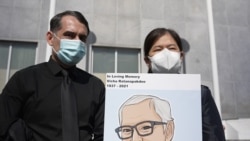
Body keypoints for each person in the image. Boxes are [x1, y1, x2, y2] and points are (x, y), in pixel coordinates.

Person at [0, 10, 105, 141]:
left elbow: (103, 134)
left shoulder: (95, 86)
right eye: (70, 35)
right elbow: (5, 126)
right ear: (50, 38)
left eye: (82, 38)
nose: (77, 42)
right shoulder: (24, 79)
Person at [143, 27, 225, 141]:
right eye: (158, 49)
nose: (166, 53)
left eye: (171, 48)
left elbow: (213, 137)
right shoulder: (128, 93)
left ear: (181, 56)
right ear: (147, 60)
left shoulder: (200, 94)